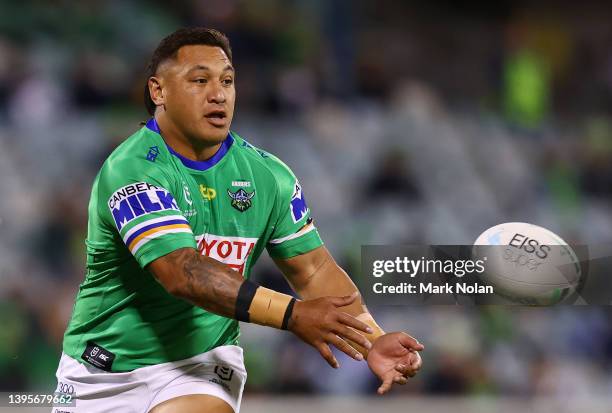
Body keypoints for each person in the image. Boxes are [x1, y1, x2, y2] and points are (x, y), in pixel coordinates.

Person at [54, 27, 423, 413]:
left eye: (227, 81)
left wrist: (372, 339)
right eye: (200, 80)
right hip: (101, 372)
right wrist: (292, 314)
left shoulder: (269, 177)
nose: (218, 93)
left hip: (201, 364)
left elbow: (313, 271)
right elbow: (182, 272)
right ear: (158, 91)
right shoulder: (131, 170)